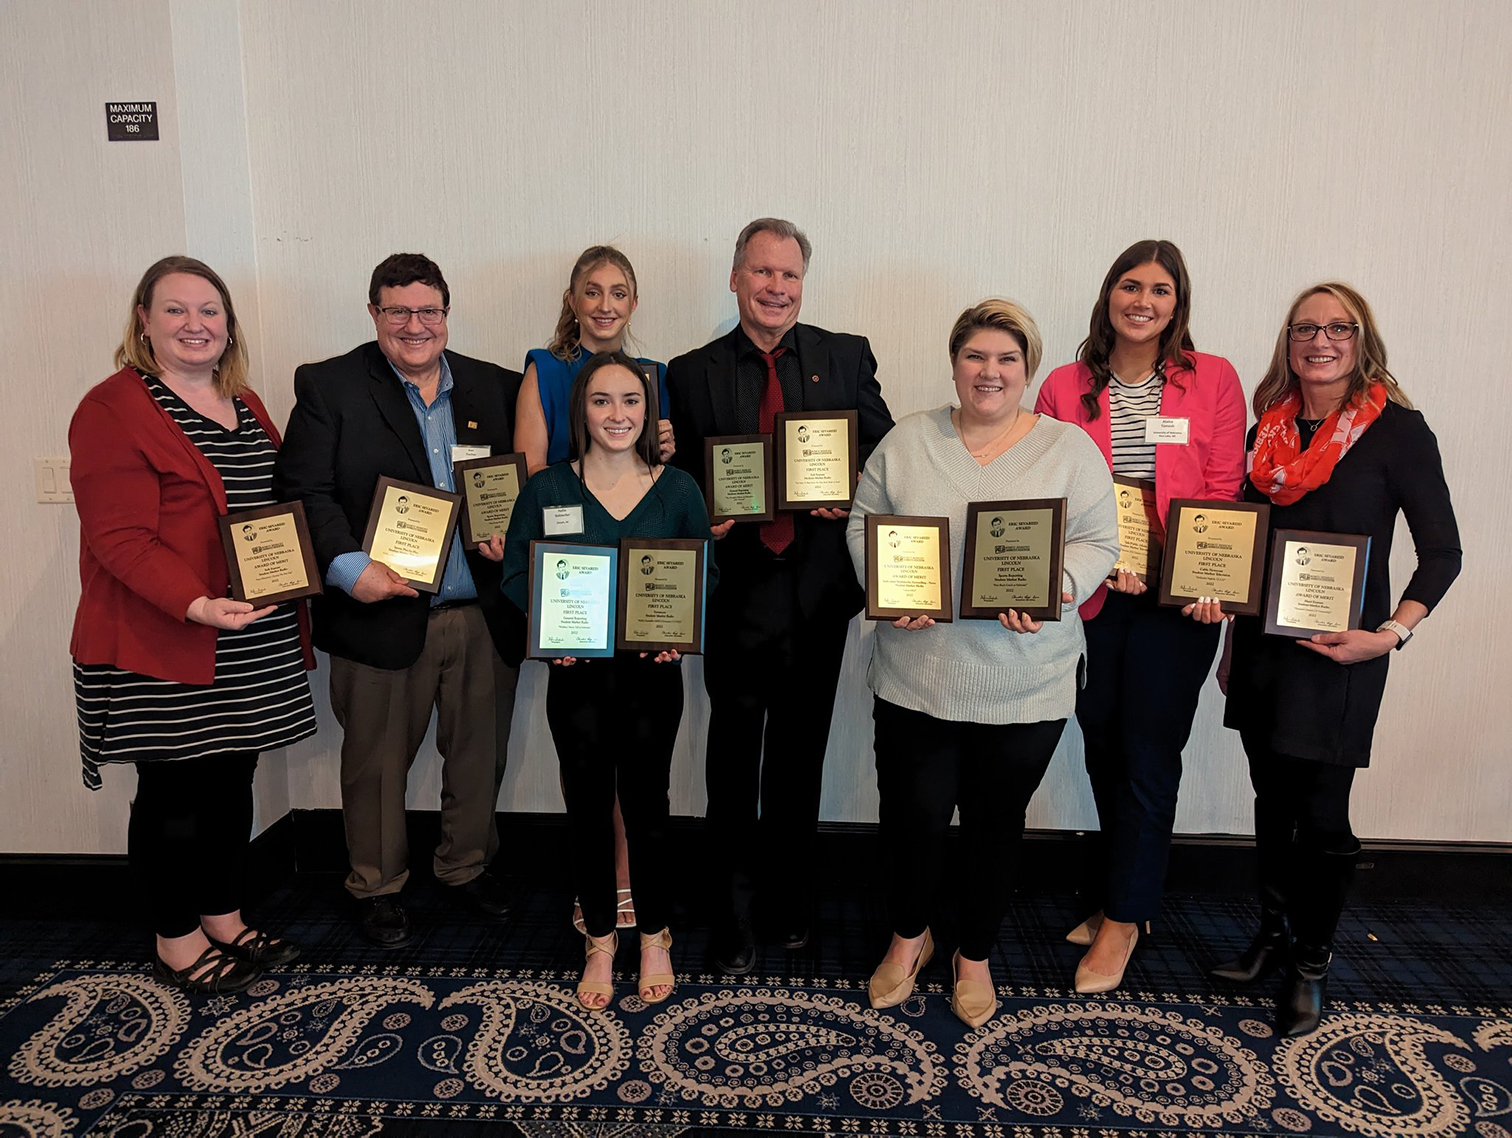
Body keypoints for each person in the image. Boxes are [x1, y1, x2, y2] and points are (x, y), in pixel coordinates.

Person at [847, 298, 1118, 1026]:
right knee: (916, 817)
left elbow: (1099, 541)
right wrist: (884, 584)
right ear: (954, 362)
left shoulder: (1070, 449)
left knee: (997, 823)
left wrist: (1058, 588)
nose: (989, 372)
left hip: (1025, 682)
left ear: (1028, 369)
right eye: (975, 356)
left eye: (1007, 358)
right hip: (918, 674)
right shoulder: (907, 441)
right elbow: (863, 521)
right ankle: (910, 938)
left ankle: (976, 953)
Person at [1214, 282, 1460, 1036]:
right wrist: (1228, 639)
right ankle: (1273, 932)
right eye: (1304, 329)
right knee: (1270, 801)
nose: (1320, 341)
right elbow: (1244, 546)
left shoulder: (1398, 432)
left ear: (1362, 339)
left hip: (1341, 655)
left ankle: (1311, 962)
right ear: (1288, 343)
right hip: (1264, 649)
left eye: (1337, 328)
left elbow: (1443, 553)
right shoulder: (1268, 432)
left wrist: (1391, 633)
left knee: (1322, 817)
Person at [69, 256, 317, 992]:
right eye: (175, 310)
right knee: (174, 796)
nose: (195, 325)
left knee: (231, 779)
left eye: (209, 311)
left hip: (247, 634)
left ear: (228, 324)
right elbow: (119, 540)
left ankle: (223, 914)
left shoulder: (244, 401)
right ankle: (174, 937)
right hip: (166, 639)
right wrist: (197, 603)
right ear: (143, 320)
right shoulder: (113, 408)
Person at [274, 253, 523, 948]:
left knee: (479, 755)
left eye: (428, 310)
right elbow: (303, 492)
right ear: (374, 314)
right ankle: (377, 884)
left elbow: (531, 477)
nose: (415, 325)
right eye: (398, 311)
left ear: (447, 312)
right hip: (378, 612)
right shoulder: (331, 387)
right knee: (377, 762)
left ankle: (465, 867)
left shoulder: (496, 387)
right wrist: (348, 567)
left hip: (479, 613)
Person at [667, 217, 894, 974]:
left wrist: (851, 483)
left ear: (804, 283)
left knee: (800, 759)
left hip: (817, 593)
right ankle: (729, 911)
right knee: (731, 762)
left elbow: (883, 450)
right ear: (735, 279)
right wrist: (707, 507)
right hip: (736, 594)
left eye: (790, 275)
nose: (776, 288)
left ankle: (787, 897)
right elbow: (673, 482)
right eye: (762, 273)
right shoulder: (689, 370)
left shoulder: (845, 355)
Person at [1034, 240, 1247, 993]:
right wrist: (1091, 560)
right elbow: (1046, 488)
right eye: (1131, 285)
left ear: (1176, 302)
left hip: (1178, 603)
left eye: (1160, 289)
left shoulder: (1212, 378)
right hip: (1092, 598)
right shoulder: (1064, 383)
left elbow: (1222, 484)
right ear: (1109, 293)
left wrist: (1203, 573)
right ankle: (1123, 893)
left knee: (1150, 757)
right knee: (1102, 747)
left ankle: (1125, 918)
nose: (1143, 301)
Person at [500, 350, 717, 1009]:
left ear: (649, 410)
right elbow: (515, 572)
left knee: (649, 805)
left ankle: (654, 933)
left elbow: (705, 575)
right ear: (581, 411)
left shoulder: (678, 488)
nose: (617, 414)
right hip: (577, 677)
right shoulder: (547, 490)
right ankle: (600, 937)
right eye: (601, 401)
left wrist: (679, 628)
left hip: (653, 678)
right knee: (588, 809)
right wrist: (548, 626)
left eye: (630, 400)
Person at [514, 245, 672, 935]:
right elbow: (529, 482)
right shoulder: (544, 370)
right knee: (586, 771)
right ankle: (600, 892)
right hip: (575, 596)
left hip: (635, 619)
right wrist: (553, 621)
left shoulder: (656, 377)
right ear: (573, 299)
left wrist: (657, 447)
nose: (605, 304)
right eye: (592, 291)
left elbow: (669, 512)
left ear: (633, 302)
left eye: (619, 292)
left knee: (640, 777)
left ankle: (627, 882)